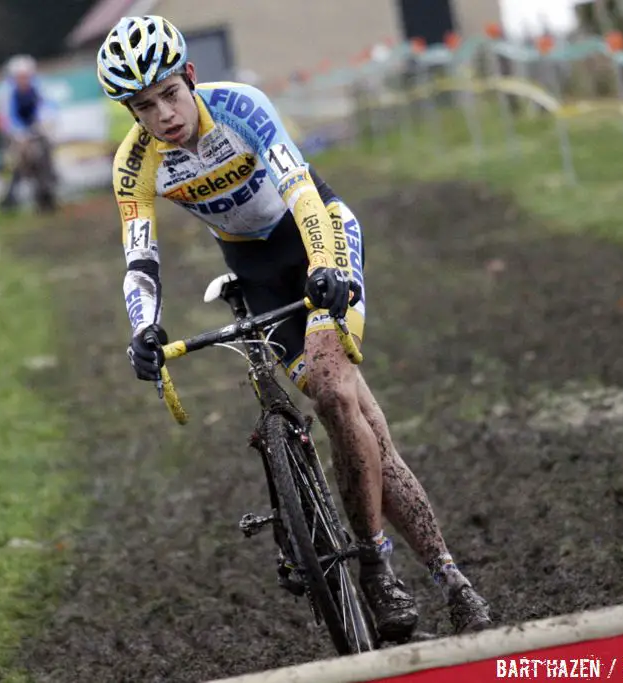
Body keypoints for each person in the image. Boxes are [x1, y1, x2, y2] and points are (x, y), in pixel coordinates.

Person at [97, 15, 492, 641]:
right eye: (144, 106)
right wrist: (143, 328)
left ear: (190, 78)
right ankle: (449, 575)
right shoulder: (136, 162)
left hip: (317, 235)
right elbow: (139, 256)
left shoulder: (240, 107)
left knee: (336, 389)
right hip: (252, 268)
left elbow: (301, 192)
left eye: (170, 94)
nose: (164, 114)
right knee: (361, 426)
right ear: (132, 113)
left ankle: (373, 564)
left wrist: (329, 270)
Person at [0, 55, 58, 212]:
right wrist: (18, 134)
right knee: (14, 163)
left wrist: (44, 125)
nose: (24, 80)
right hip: (15, 134)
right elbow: (5, 117)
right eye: (20, 76)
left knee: (44, 157)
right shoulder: (5, 92)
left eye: (26, 76)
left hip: (34, 130)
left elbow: (47, 107)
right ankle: (9, 198)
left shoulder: (37, 87)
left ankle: (46, 193)